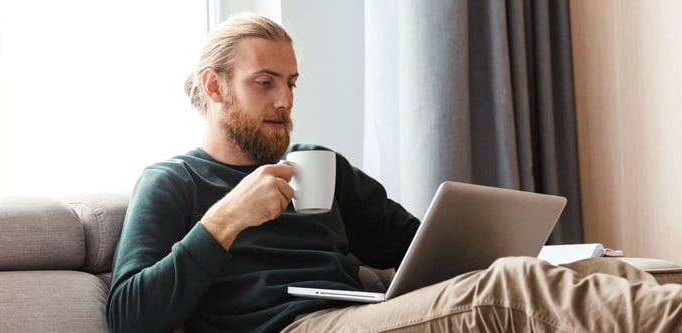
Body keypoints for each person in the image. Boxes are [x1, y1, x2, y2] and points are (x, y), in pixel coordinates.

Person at [107, 13, 682, 332]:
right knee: (508, 290)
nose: (284, 99)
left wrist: (499, 244)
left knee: (623, 275)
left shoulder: (318, 164)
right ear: (214, 88)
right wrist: (225, 220)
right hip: (289, 329)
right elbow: (130, 316)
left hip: (361, 316)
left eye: (291, 83)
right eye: (265, 82)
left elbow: (417, 247)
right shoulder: (174, 182)